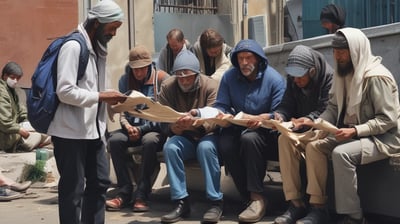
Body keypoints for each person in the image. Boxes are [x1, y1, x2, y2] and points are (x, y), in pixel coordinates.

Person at [295, 28, 400, 224]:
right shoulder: (342, 74)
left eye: (343, 52)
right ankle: (318, 207)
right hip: (355, 134)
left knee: (341, 154)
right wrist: (316, 123)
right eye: (335, 52)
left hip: (384, 137)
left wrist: (356, 130)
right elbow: (333, 107)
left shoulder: (376, 77)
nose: (338, 57)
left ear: (356, 51)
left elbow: (388, 119)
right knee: (314, 147)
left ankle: (354, 216)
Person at [46, 1, 126, 224]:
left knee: (101, 181)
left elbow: (98, 86)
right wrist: (100, 97)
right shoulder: (73, 46)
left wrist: (115, 102)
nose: (114, 33)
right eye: (112, 27)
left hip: (94, 130)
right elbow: (65, 91)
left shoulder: (99, 47)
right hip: (70, 132)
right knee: (73, 189)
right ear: (98, 23)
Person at [214, 39, 286, 223]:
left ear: (258, 59)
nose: (244, 63)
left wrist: (264, 118)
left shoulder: (274, 79)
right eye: (240, 59)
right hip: (237, 126)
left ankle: (257, 196)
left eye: (248, 58)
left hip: (265, 132)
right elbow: (221, 104)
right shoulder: (229, 77)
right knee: (225, 143)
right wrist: (222, 115)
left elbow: (280, 113)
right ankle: (247, 196)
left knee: (250, 139)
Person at [158, 49, 223, 223]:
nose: (184, 80)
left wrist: (196, 123)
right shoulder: (168, 87)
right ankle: (181, 201)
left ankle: (215, 201)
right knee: (170, 147)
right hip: (183, 135)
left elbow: (216, 117)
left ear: (197, 74)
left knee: (205, 148)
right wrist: (174, 128)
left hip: (208, 134)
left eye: (188, 77)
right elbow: (161, 118)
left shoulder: (211, 86)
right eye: (180, 77)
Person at [272, 45, 333, 224]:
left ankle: (318, 206)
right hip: (300, 128)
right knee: (283, 140)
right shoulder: (294, 79)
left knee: (315, 146)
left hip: (322, 128)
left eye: (301, 77)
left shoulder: (328, 78)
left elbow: (327, 110)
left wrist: (307, 119)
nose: (296, 81)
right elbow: (286, 103)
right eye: (293, 77)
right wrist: (280, 115)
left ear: (312, 71)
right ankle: (295, 203)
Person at [106, 45, 169, 212]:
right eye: (135, 70)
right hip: (131, 129)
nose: (139, 73)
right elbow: (122, 110)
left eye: (142, 69)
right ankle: (125, 191)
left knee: (149, 142)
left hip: (155, 129)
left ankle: (142, 194)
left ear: (149, 65)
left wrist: (141, 130)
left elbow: (164, 116)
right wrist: (127, 127)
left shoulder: (162, 79)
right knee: (114, 140)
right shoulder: (124, 80)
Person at [0, 61, 52, 153]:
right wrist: (20, 130)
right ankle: (29, 143)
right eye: (12, 77)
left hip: (13, 128)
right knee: (41, 136)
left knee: (45, 129)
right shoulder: (2, 92)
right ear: (4, 76)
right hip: (5, 135)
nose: (15, 81)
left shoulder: (13, 91)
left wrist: (28, 123)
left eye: (18, 78)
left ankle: (37, 140)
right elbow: (5, 123)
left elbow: (21, 112)